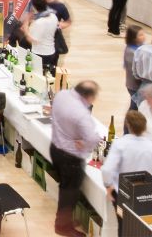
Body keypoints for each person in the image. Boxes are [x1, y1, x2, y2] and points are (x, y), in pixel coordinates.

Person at [48, 81, 104, 235]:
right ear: (88, 96)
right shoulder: (81, 113)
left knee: (64, 187)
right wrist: (85, 144)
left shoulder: (62, 95)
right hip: (70, 157)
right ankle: (62, 226)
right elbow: (92, 139)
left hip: (55, 148)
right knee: (70, 192)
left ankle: (64, 220)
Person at [99, 110, 152, 198]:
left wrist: (108, 185)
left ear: (127, 125)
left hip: (122, 193)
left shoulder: (119, 144)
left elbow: (107, 170)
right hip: (144, 195)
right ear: (145, 127)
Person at [27, 0, 60, 74]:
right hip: (51, 51)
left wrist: (25, 26)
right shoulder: (53, 16)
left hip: (40, 54)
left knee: (39, 77)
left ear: (34, 7)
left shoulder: (39, 22)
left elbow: (32, 39)